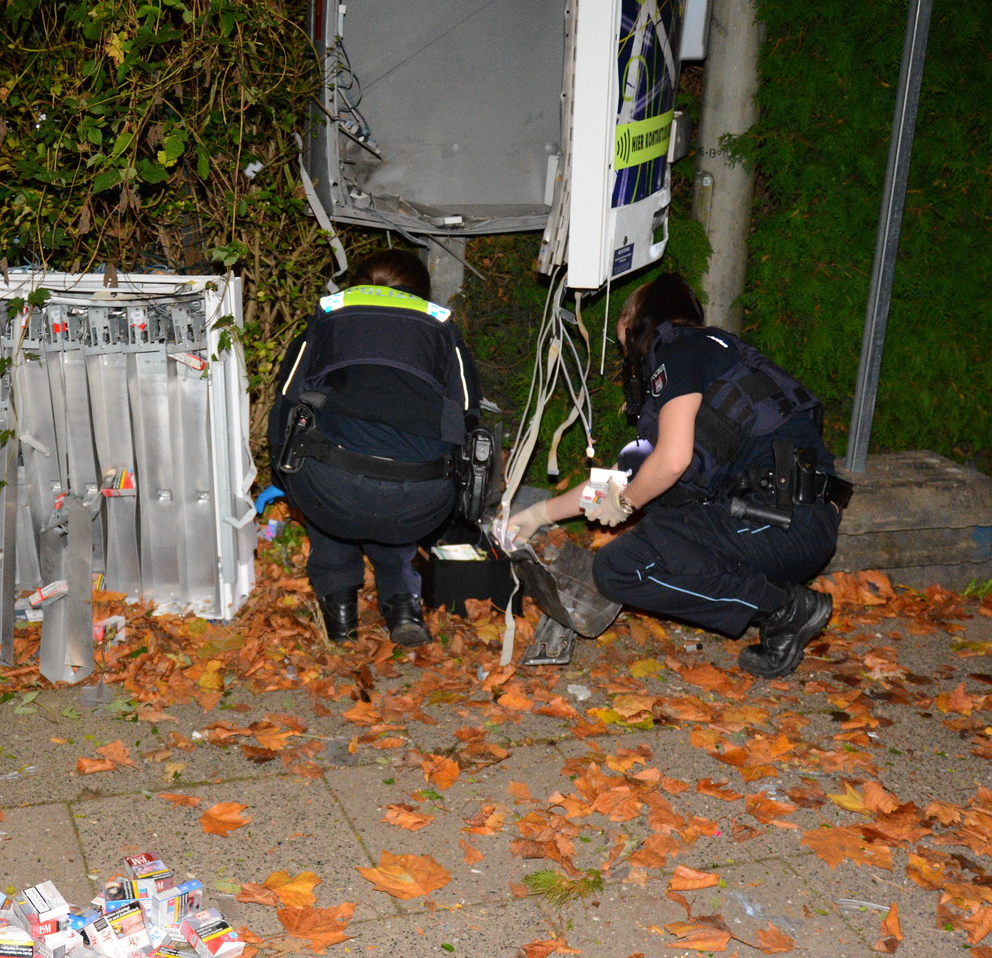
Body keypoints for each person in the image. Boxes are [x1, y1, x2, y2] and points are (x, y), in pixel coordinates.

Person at [502, 272, 849, 678]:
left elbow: (670, 462)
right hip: (790, 526)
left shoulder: (680, 349)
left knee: (621, 567)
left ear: (634, 320)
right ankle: (776, 610)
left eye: (621, 337)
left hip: (782, 524)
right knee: (664, 518)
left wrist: (626, 502)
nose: (623, 351)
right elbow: (621, 475)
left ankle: (783, 606)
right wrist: (538, 515)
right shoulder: (709, 360)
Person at [269, 249, 482, 645]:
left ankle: (340, 614)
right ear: (421, 293)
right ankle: (402, 605)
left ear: (356, 286)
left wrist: (284, 473)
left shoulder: (327, 320)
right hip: (419, 499)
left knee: (328, 480)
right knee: (403, 480)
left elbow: (286, 400)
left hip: (332, 489)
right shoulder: (443, 331)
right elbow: (469, 415)